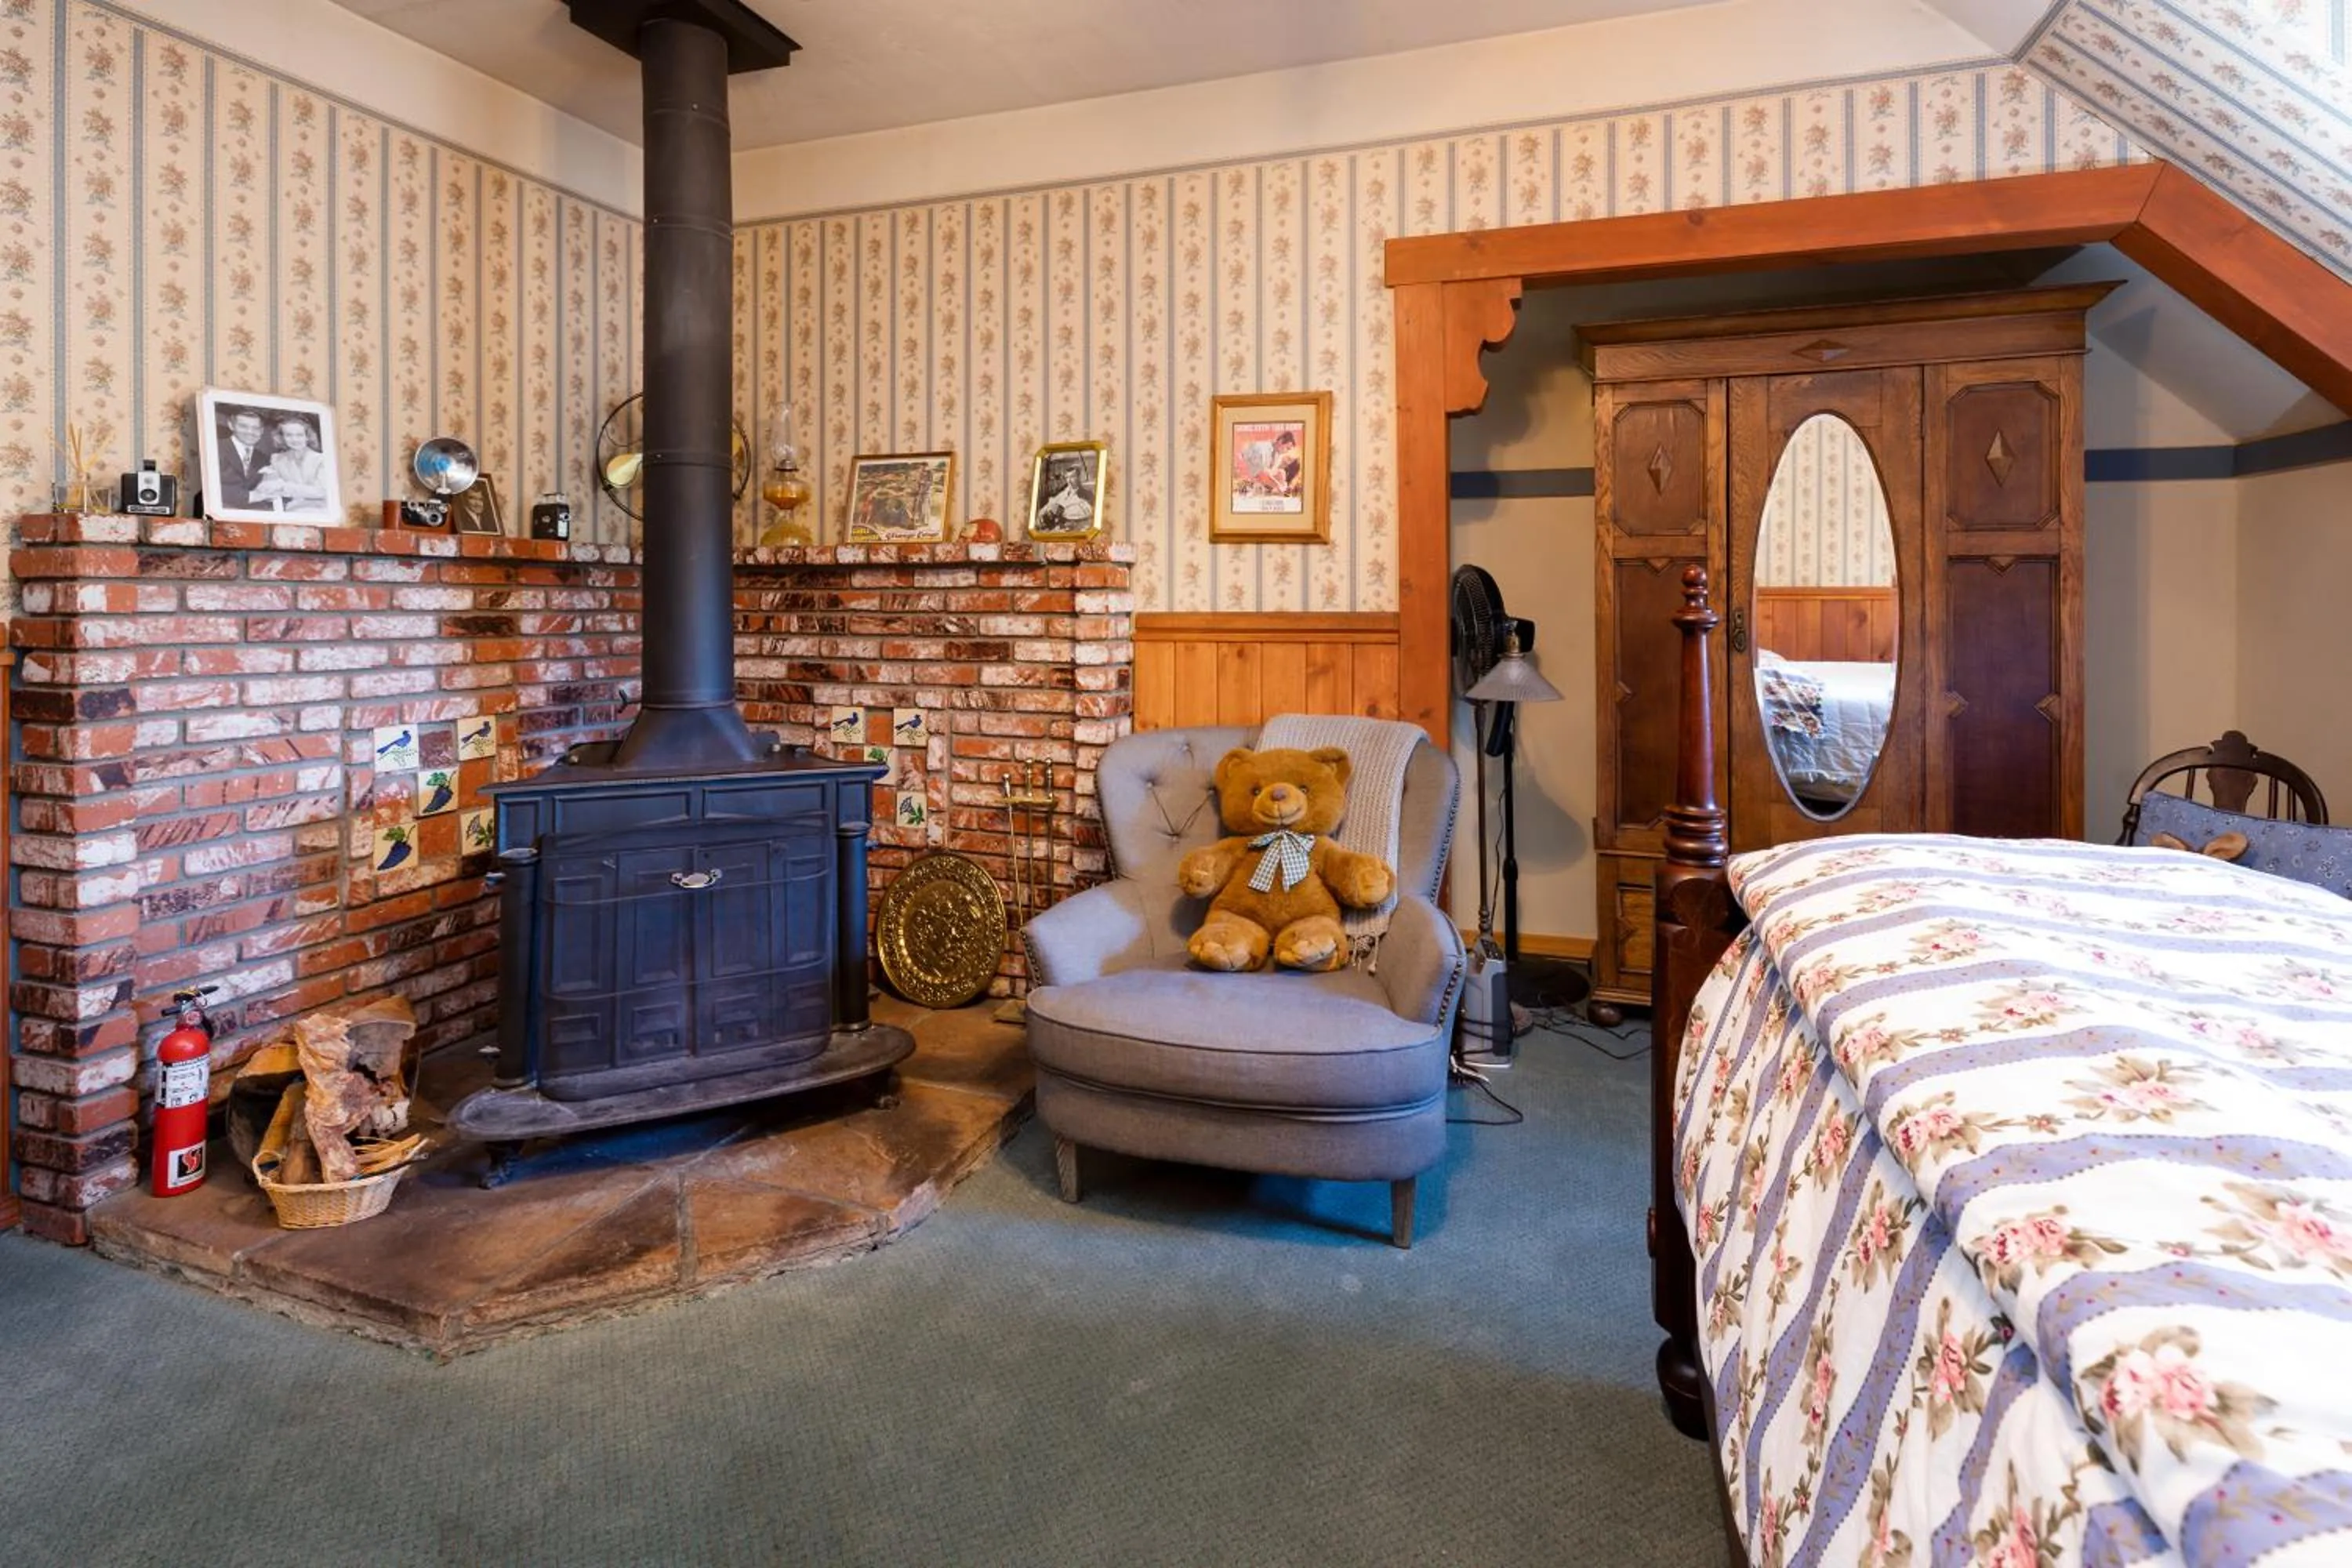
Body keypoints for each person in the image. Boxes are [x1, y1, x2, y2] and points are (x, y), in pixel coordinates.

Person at [248, 416, 329, 512]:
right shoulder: (277, 459)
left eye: (299, 435)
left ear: (307, 437)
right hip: (293, 509)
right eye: (289, 435)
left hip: (321, 509)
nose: (294, 440)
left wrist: (283, 487)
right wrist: (267, 481)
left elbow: (321, 492)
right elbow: (266, 487)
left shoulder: (322, 459)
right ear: (282, 438)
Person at [216, 408, 271, 510]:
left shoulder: (263, 458)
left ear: (262, 431)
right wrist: (251, 496)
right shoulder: (216, 448)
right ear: (231, 425)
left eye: (256, 428)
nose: (250, 432)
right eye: (243, 426)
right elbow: (212, 488)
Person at [1036, 463, 1093, 531]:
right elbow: (1050, 503)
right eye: (1067, 477)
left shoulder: (1086, 494)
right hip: (1058, 526)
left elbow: (1088, 512)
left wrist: (1062, 512)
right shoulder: (1063, 493)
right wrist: (1041, 513)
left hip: (1075, 527)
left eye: (1072, 477)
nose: (1069, 481)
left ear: (1079, 477)